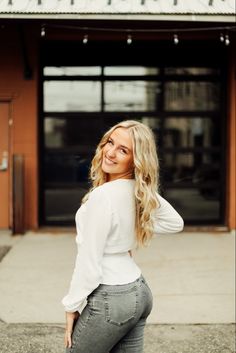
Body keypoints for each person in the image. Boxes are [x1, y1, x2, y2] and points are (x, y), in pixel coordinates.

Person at [62, 120, 184, 353]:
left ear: (136, 160)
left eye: (123, 150)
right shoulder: (137, 191)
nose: (110, 152)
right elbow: (174, 222)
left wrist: (72, 305)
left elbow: (89, 262)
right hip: (139, 290)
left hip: (112, 297)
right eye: (110, 142)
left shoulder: (103, 196)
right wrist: (131, 228)